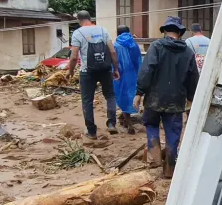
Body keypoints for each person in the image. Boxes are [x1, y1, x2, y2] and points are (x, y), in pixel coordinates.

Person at [134, 16, 199, 177]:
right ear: (180, 33)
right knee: (173, 133)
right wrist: (191, 98)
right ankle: (170, 167)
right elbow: (193, 78)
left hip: (154, 98)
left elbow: (146, 70)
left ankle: (154, 161)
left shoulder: (156, 47)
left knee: (151, 125)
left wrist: (139, 92)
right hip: (176, 101)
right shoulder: (188, 52)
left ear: (164, 31)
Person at [67, 10, 120, 139]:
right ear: (90, 18)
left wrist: (71, 71)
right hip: (105, 69)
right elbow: (112, 52)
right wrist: (116, 69)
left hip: (87, 72)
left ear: (79, 20)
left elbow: (74, 57)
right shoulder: (102, 30)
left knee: (87, 101)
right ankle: (112, 123)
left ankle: (91, 131)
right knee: (110, 96)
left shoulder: (77, 33)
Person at [113, 25, 142, 135]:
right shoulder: (134, 44)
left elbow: (114, 62)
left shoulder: (116, 45)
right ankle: (126, 119)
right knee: (132, 96)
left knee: (122, 96)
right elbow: (139, 60)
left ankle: (129, 124)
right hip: (133, 75)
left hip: (120, 75)